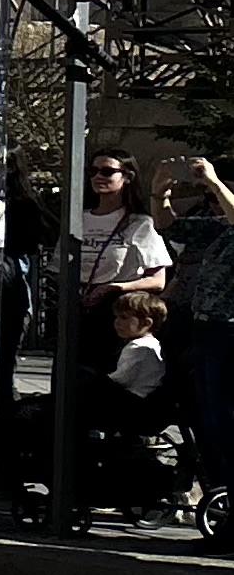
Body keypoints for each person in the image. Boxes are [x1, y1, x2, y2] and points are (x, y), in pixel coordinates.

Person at [158, 155, 234, 515]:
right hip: (203, 327)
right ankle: (219, 499)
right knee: (206, 419)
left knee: (226, 418)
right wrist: (160, 193)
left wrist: (215, 183)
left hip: (229, 330)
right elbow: (169, 227)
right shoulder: (217, 225)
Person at [72, 151, 171, 375]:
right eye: (93, 171)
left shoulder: (139, 223)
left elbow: (158, 280)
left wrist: (114, 287)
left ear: (127, 177)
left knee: (104, 375)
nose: (98, 177)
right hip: (77, 305)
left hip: (115, 308)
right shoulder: (77, 218)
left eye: (107, 171)